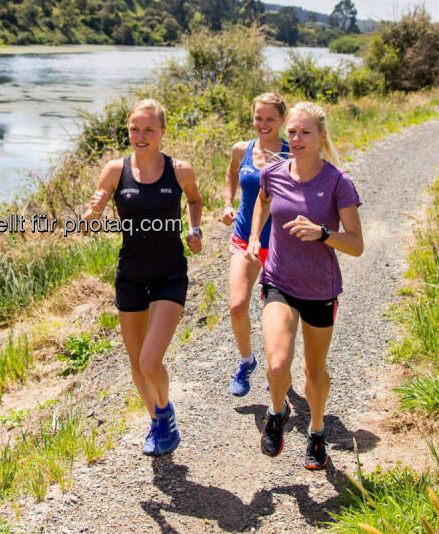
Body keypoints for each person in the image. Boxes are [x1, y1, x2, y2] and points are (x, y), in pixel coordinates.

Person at [245, 101, 363, 470]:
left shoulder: (338, 182)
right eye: (292, 131)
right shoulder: (274, 173)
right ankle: (277, 411)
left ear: (321, 137)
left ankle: (315, 431)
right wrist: (253, 237)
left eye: (304, 132)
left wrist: (323, 233)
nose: (295, 138)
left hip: (320, 290)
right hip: (278, 280)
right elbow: (263, 203)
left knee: (315, 372)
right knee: (277, 364)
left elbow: (357, 245)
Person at [83, 98, 203, 456]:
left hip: (169, 275)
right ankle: (157, 422)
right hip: (130, 276)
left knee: (151, 361)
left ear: (163, 132)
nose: (140, 135)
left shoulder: (179, 170)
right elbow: (93, 213)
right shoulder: (115, 170)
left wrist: (194, 229)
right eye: (134, 128)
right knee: (137, 365)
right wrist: (91, 213)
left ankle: (164, 411)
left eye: (149, 129)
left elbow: (195, 201)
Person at [221, 93, 289, 396]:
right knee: (237, 306)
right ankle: (247, 361)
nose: (263, 124)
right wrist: (227, 202)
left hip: (280, 245)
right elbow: (232, 172)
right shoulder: (242, 149)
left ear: (282, 120)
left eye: (270, 119)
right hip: (243, 238)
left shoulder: (291, 153)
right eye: (258, 118)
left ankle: (277, 369)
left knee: (274, 314)